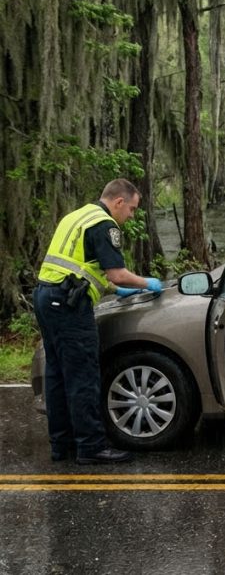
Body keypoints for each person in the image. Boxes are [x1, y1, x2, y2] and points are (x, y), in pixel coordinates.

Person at [34, 179, 164, 465]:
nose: (131, 216)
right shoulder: (104, 224)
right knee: (83, 375)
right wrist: (146, 282)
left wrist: (117, 290)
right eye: (131, 209)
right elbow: (116, 272)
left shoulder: (77, 215)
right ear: (118, 202)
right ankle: (91, 447)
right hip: (69, 305)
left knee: (57, 373)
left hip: (46, 297)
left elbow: (82, 266)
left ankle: (62, 445)